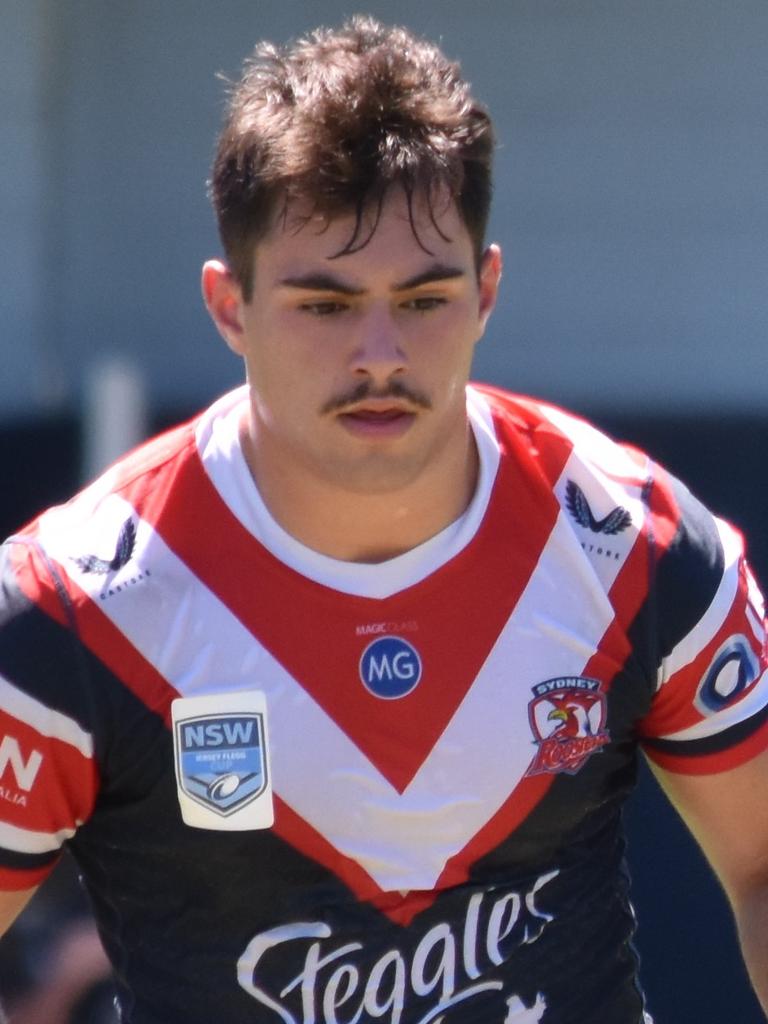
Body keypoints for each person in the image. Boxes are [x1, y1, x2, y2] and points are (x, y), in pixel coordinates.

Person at [0, 15, 766, 1023]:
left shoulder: (632, 542)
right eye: (324, 305)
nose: (378, 352)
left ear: (486, 290)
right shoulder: (71, 607)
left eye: (423, 298)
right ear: (230, 307)